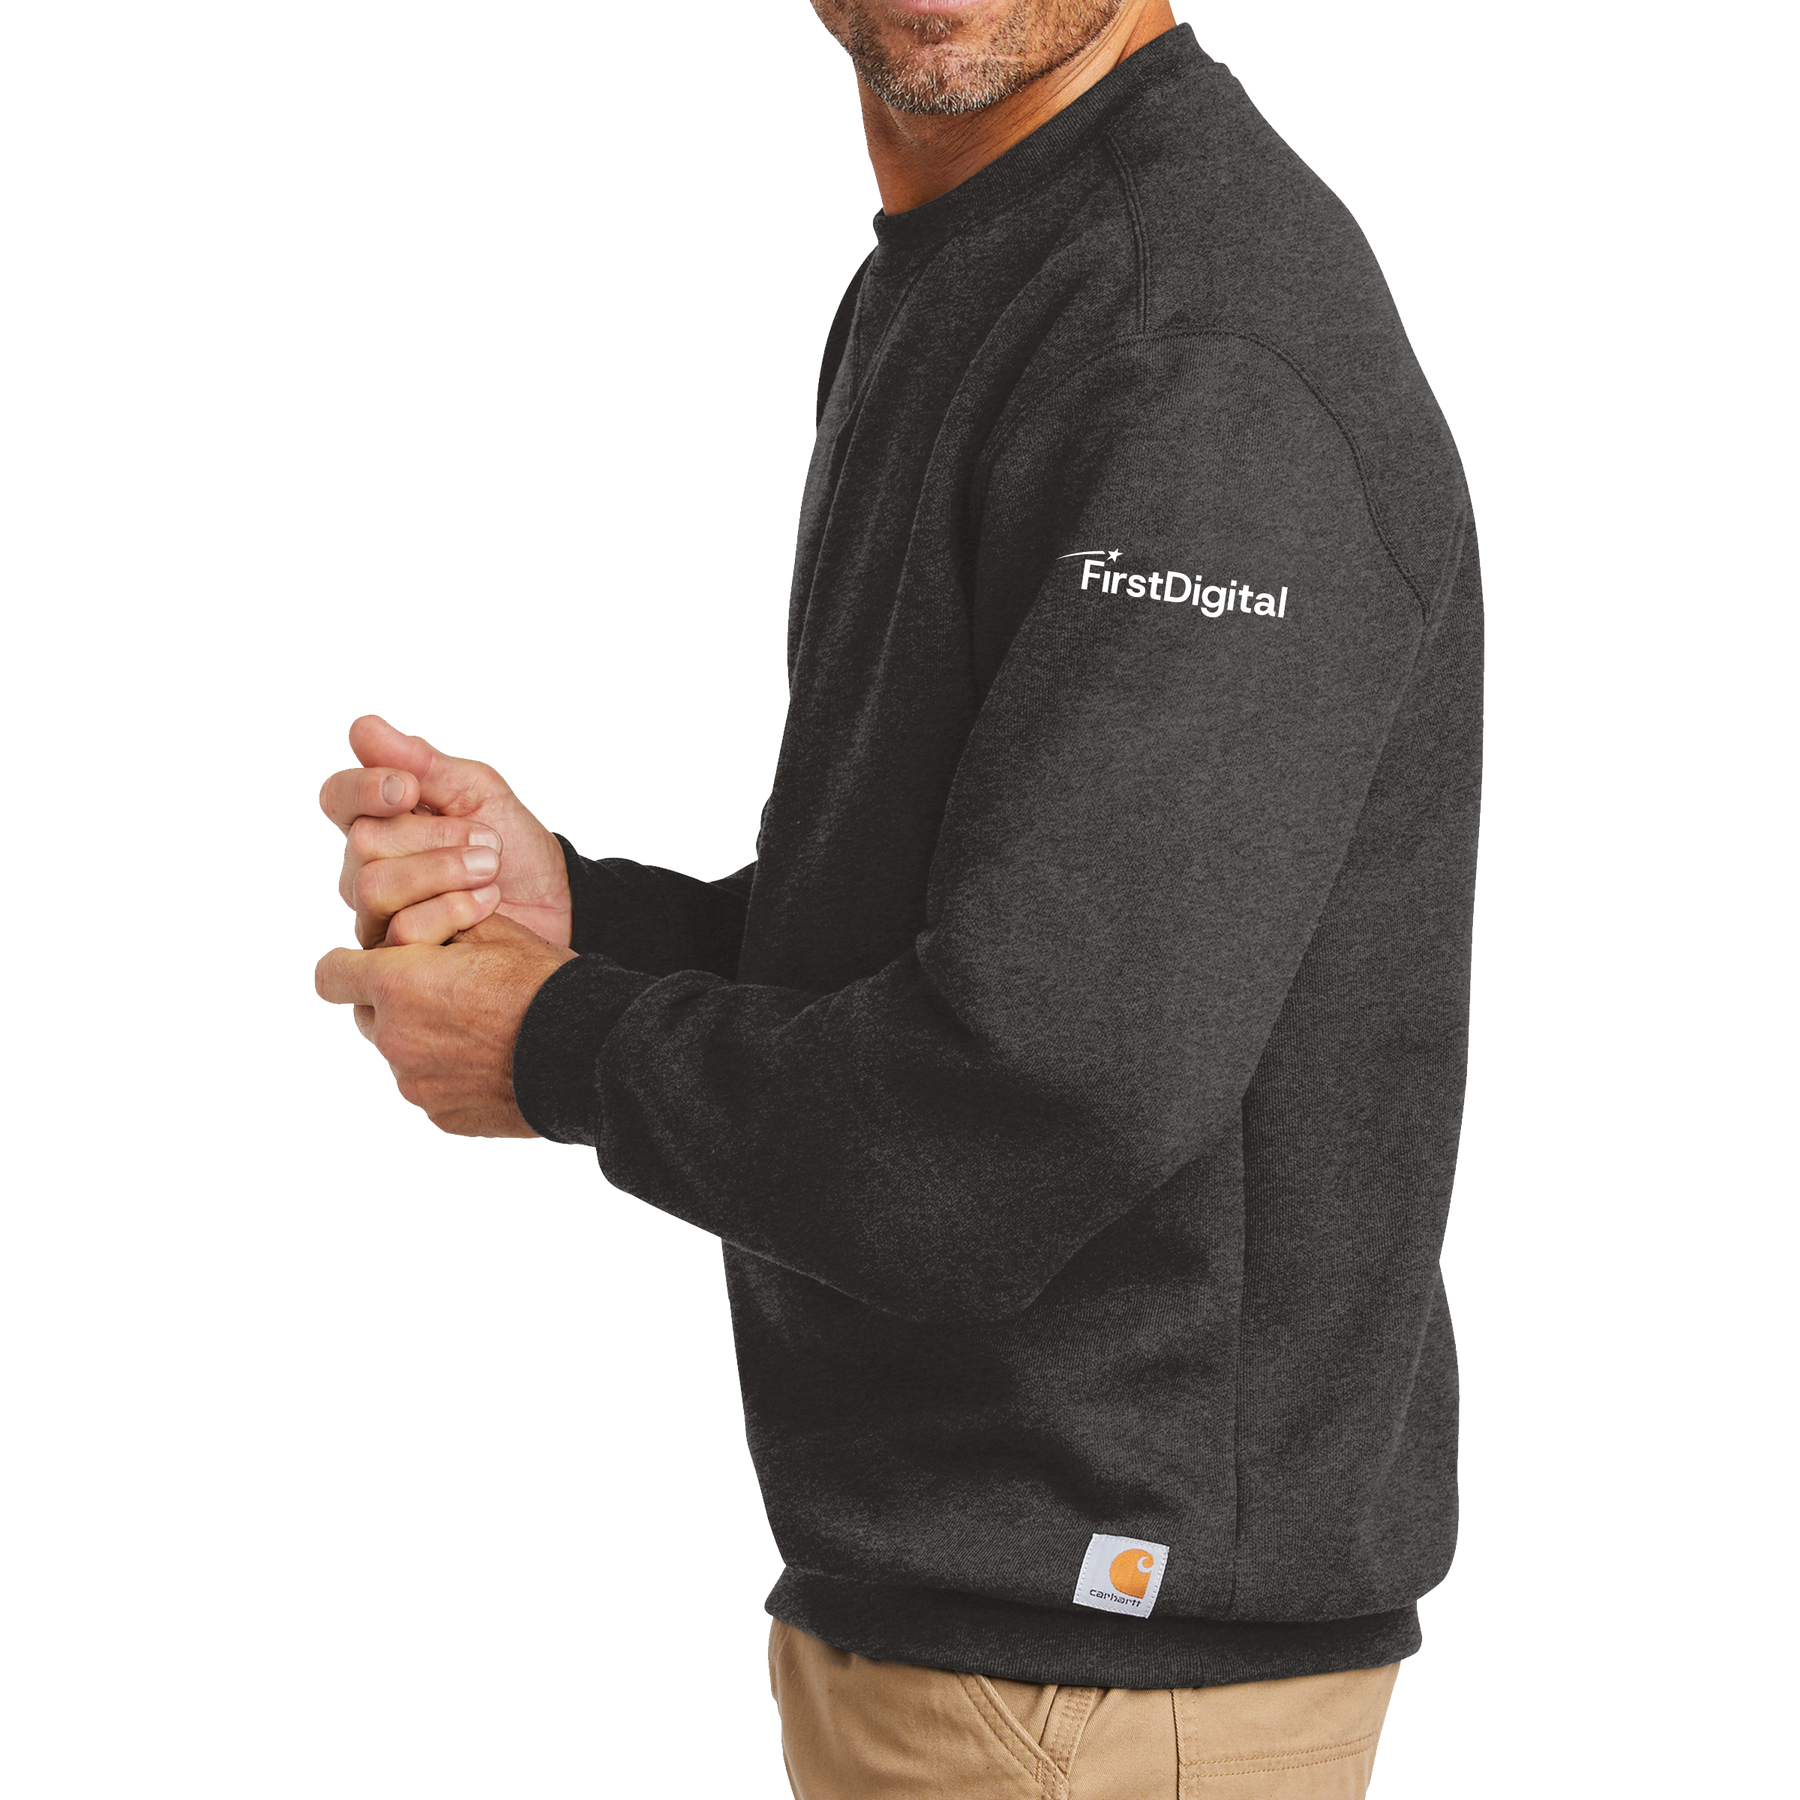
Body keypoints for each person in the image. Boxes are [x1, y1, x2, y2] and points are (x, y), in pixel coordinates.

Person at [312, 2, 1485, 1793]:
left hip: (1101, 1692)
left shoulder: (1193, 341)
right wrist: (587, 925)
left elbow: (1024, 1109)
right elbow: (973, 945)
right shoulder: (982, 256)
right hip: (978, 1647)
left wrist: (563, 1048)